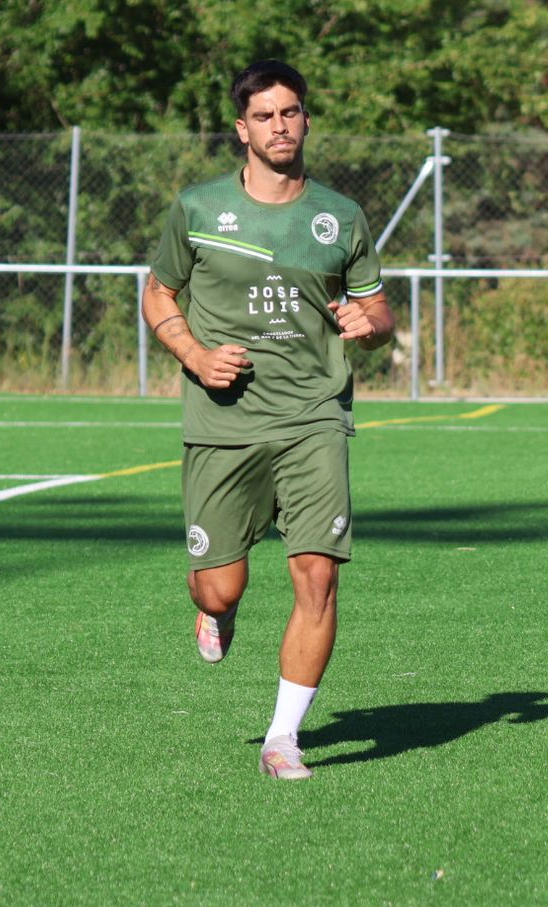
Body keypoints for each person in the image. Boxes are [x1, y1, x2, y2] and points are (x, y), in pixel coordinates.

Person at [142, 60, 395, 780]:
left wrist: (365, 325)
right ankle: (216, 612)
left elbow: (379, 312)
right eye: (264, 115)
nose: (279, 126)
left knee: (317, 575)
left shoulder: (341, 217)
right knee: (219, 584)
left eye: (290, 112)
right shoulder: (196, 209)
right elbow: (158, 293)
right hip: (224, 417)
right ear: (241, 128)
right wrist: (192, 352)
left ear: (306, 120)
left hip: (315, 413)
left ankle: (283, 736)